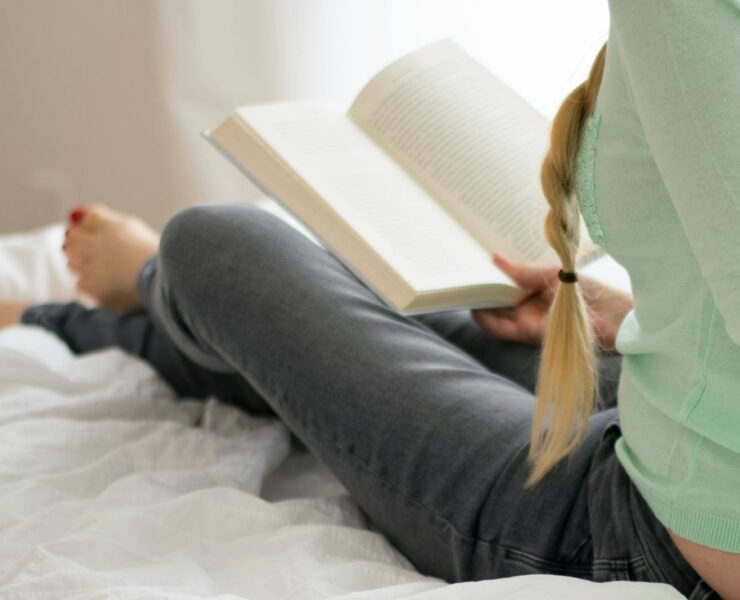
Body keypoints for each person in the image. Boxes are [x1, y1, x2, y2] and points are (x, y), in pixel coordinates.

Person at [1, 1, 737, 597]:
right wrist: (631, 319)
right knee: (391, 303)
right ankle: (126, 313)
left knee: (217, 245)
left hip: (648, 531)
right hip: (677, 426)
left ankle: (117, 303)